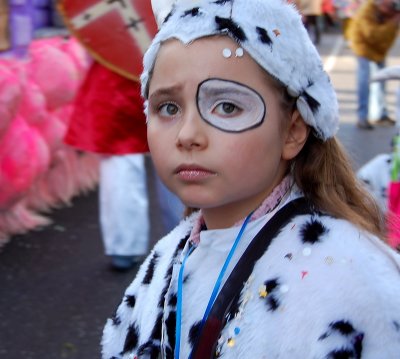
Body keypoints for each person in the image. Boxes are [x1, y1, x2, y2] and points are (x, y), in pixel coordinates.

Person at [101, 0, 400, 357]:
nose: (188, 134)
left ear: (292, 131)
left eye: (227, 106)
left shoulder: (350, 280)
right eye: (169, 108)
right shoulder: (166, 258)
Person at [65, 61, 183, 271]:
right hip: (168, 66)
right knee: (176, 151)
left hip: (116, 72)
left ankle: (125, 247)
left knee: (120, 159)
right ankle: (186, 240)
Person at [349, 0, 400, 130]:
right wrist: (392, 22)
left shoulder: (390, 13)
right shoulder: (368, 10)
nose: (392, 7)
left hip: (379, 49)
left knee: (381, 81)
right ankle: (362, 116)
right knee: (365, 81)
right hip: (363, 47)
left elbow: (388, 37)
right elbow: (372, 34)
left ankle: (380, 114)